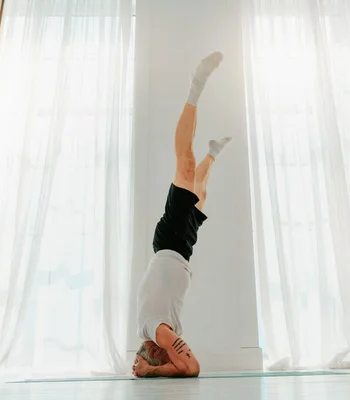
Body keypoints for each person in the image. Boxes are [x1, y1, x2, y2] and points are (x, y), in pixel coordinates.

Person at [132, 51, 232, 378]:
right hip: (183, 249)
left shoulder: (154, 332)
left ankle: (195, 87)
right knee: (200, 194)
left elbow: (192, 369)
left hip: (168, 243)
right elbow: (188, 366)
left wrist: (149, 371)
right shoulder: (168, 332)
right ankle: (213, 153)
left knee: (184, 166)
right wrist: (152, 369)